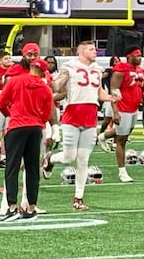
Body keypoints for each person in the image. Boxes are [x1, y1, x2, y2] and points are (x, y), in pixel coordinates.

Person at [45, 39, 110, 211]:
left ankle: (78, 198)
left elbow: (99, 92)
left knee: (83, 160)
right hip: (73, 113)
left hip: (91, 115)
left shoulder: (97, 68)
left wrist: (111, 98)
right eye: (91, 49)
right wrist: (51, 83)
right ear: (81, 52)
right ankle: (50, 159)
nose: (95, 51)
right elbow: (58, 85)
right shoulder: (70, 65)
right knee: (68, 157)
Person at [0, 48, 53, 222]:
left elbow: (1, 103)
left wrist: (11, 114)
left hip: (17, 126)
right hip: (35, 128)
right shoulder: (44, 88)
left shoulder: (16, 81)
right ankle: (31, 208)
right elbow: (47, 112)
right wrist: (38, 121)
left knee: (12, 167)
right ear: (43, 71)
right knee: (32, 169)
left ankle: (12, 207)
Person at [109, 47, 144, 184]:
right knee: (121, 140)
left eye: (140, 55)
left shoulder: (139, 71)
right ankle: (122, 171)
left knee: (125, 134)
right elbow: (114, 90)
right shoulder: (121, 69)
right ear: (129, 56)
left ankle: (103, 136)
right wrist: (115, 111)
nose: (140, 58)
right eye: (137, 56)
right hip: (123, 107)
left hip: (133, 108)